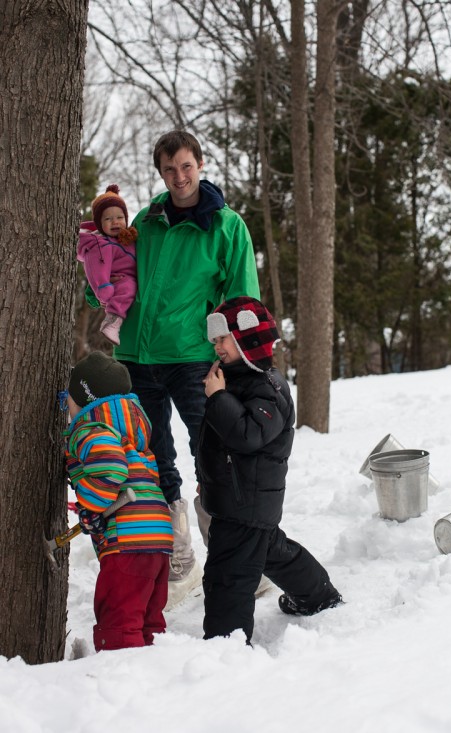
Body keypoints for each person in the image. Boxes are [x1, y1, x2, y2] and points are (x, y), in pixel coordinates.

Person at [109, 130, 260, 608]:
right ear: (160, 172)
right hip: (137, 355)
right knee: (152, 458)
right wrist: (99, 283)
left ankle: (233, 556)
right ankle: (179, 558)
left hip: (194, 356)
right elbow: (119, 273)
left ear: (200, 164)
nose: (179, 177)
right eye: (169, 169)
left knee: (212, 452)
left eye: (186, 166)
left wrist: (235, 359)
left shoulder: (226, 225)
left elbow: (243, 300)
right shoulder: (145, 221)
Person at [197, 297, 343, 643]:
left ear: (248, 338)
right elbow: (218, 444)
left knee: (227, 576)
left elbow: (248, 436)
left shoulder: (266, 388)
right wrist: (208, 480)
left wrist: (218, 398)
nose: (216, 346)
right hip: (239, 498)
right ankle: (317, 595)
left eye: (223, 339)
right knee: (270, 552)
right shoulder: (237, 380)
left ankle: (225, 643)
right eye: (215, 340)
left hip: (244, 504)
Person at [63, 351, 173, 651]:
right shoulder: (133, 436)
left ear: (84, 399)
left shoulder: (92, 429)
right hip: (158, 540)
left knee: (119, 624)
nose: (66, 407)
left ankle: (119, 680)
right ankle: (155, 674)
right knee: (148, 622)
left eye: (67, 399)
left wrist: (90, 502)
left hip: (128, 545)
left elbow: (110, 472)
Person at [78, 184, 138, 346]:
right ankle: (112, 321)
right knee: (129, 286)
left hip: (132, 284)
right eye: (108, 219)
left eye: (119, 217)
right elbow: (97, 268)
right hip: (120, 284)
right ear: (99, 223)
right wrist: (103, 287)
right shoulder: (102, 244)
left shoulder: (130, 240)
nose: (115, 222)